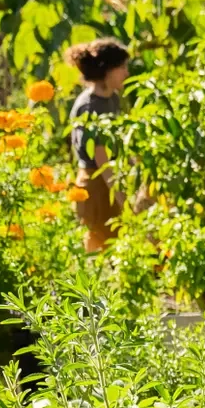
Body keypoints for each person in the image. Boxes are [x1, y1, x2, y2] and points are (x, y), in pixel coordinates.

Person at [66, 38, 130, 251]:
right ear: (107, 71)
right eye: (121, 67)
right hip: (96, 187)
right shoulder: (91, 106)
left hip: (111, 182)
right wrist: (122, 200)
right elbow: (102, 161)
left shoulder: (112, 98)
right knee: (100, 248)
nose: (126, 73)